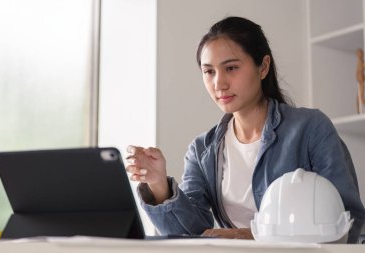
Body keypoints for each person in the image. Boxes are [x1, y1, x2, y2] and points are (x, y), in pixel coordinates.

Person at [125, 16, 365, 243]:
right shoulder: (202, 150)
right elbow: (192, 237)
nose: (219, 83)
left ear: (263, 67)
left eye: (231, 68)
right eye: (209, 71)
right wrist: (158, 184)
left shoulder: (310, 128)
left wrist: (251, 236)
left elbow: (349, 222)